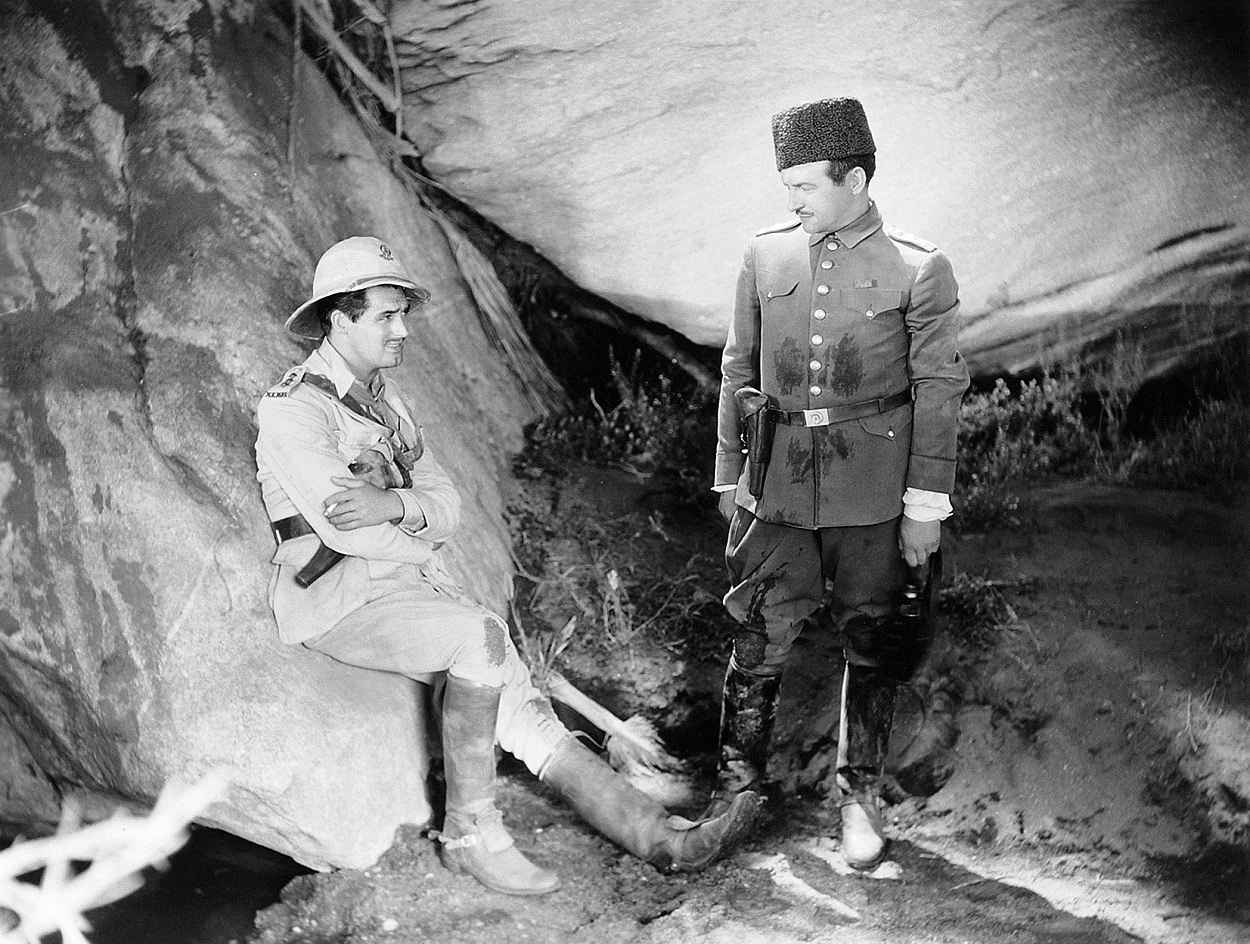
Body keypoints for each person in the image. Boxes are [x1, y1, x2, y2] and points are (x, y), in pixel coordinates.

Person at [254, 236, 758, 896]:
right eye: (386, 315)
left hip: (405, 592)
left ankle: (662, 840)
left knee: (522, 706)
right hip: (338, 602)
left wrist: (394, 503)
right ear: (340, 320)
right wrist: (413, 527)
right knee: (479, 636)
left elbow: (449, 506)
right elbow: (350, 534)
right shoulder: (294, 409)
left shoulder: (391, 405)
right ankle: (469, 837)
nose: (403, 329)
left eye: (403, 312)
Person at [708, 98, 970, 869]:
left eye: (804, 186)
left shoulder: (920, 267)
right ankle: (735, 790)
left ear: (853, 178)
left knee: (874, 642)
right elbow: (737, 369)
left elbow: (939, 391)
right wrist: (730, 478)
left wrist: (924, 507)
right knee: (757, 633)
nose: (791, 201)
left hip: (875, 494)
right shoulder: (765, 254)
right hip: (776, 486)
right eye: (785, 186)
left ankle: (859, 801)